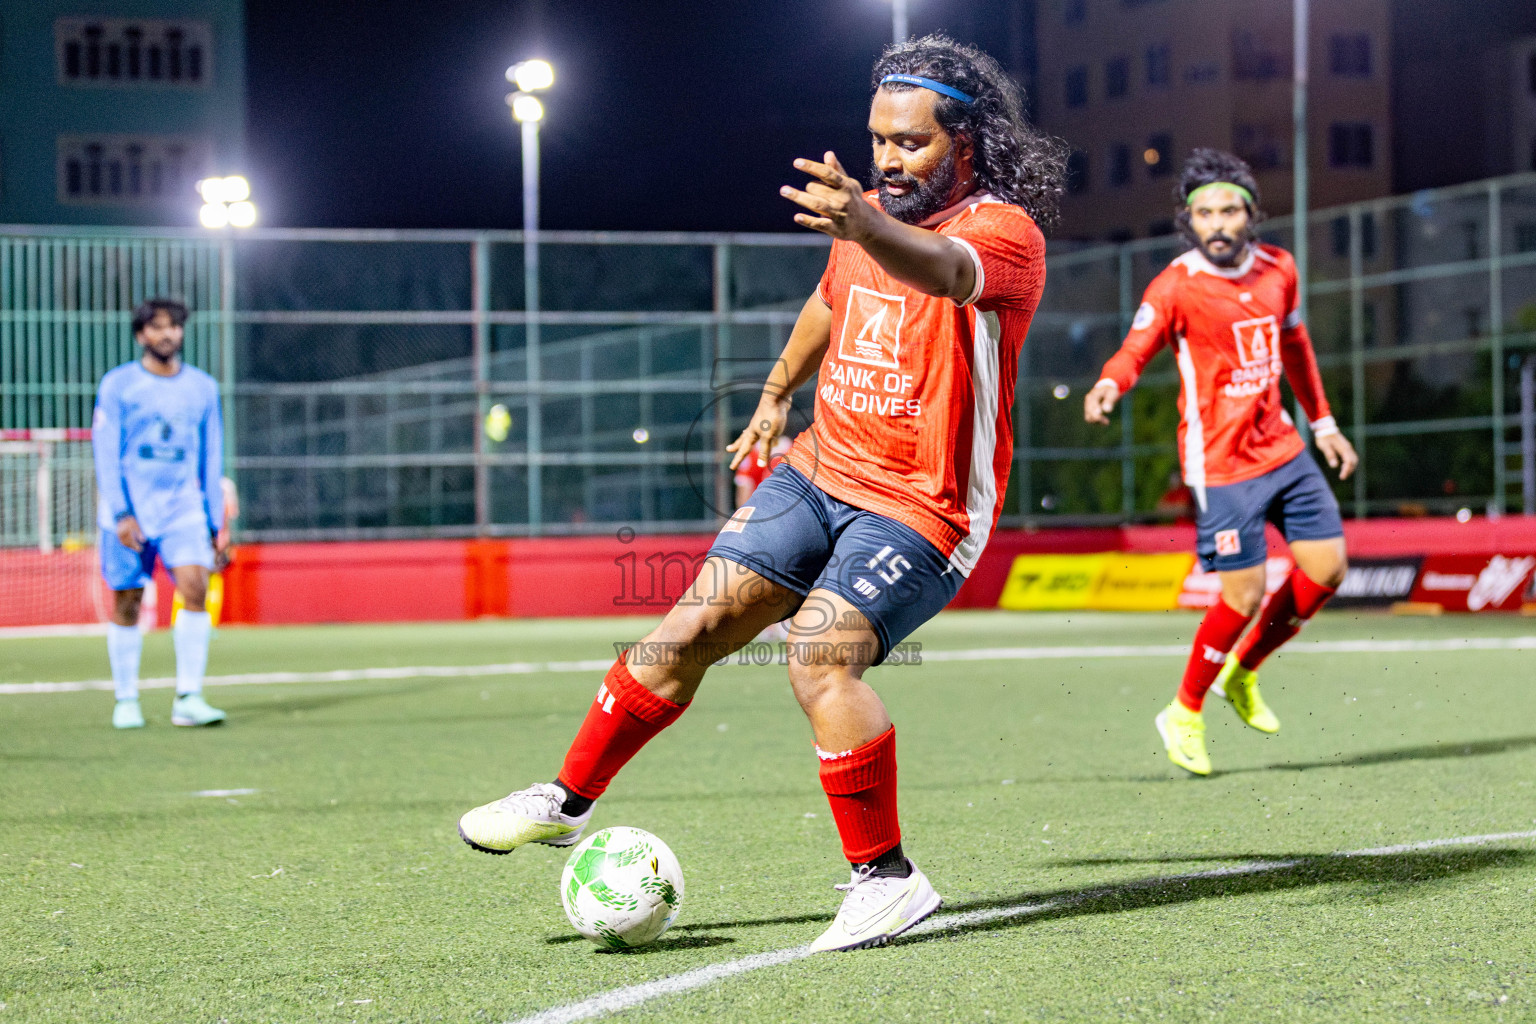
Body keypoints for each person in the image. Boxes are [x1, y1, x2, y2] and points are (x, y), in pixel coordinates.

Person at [457, 34, 1064, 952]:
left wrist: (863, 225)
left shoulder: (1003, 235)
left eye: (911, 142)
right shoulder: (867, 221)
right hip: (819, 470)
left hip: (923, 506)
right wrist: (777, 393)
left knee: (819, 657)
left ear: (966, 143)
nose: (888, 159)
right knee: (689, 627)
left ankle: (888, 881)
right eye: (879, 139)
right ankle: (566, 800)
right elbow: (831, 299)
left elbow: (939, 270)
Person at [1083, 149, 1358, 776]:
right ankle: (1183, 711)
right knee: (1245, 593)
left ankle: (1243, 672)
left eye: (1229, 210)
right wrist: (1108, 385)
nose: (1218, 223)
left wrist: (1324, 424)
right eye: (1205, 214)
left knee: (1327, 568)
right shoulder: (1175, 286)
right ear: (1190, 222)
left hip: (1283, 450)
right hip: (1220, 464)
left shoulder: (1279, 268)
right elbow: (1134, 349)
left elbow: (1296, 345)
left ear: (1250, 215)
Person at [93, 297, 229, 729]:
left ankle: (189, 697)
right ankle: (126, 699)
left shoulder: (203, 387)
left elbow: (212, 456)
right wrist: (121, 512)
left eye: (173, 326)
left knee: (195, 586)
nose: (166, 334)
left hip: (182, 509)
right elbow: (105, 453)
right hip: (131, 509)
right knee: (128, 600)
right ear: (141, 336)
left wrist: (215, 521)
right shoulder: (118, 385)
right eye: (156, 327)